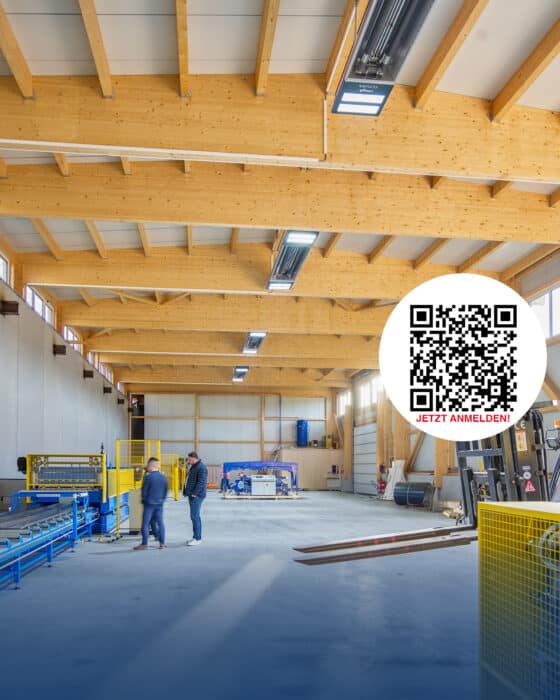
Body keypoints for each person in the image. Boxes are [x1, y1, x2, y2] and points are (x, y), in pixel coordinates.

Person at [134, 457, 168, 550]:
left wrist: (143, 500)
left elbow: (144, 491)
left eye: (148, 465)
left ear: (151, 466)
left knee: (145, 523)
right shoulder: (163, 477)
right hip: (160, 503)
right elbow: (166, 491)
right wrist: (162, 500)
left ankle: (144, 544)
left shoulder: (148, 477)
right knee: (160, 523)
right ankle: (162, 543)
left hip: (149, 504)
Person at [183, 451, 208, 546]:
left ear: (194, 458)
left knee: (194, 516)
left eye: (189, 459)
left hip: (197, 496)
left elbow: (201, 482)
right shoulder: (194, 466)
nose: (189, 461)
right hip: (192, 494)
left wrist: (194, 493)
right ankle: (195, 537)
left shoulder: (201, 467)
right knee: (194, 516)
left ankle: (197, 538)